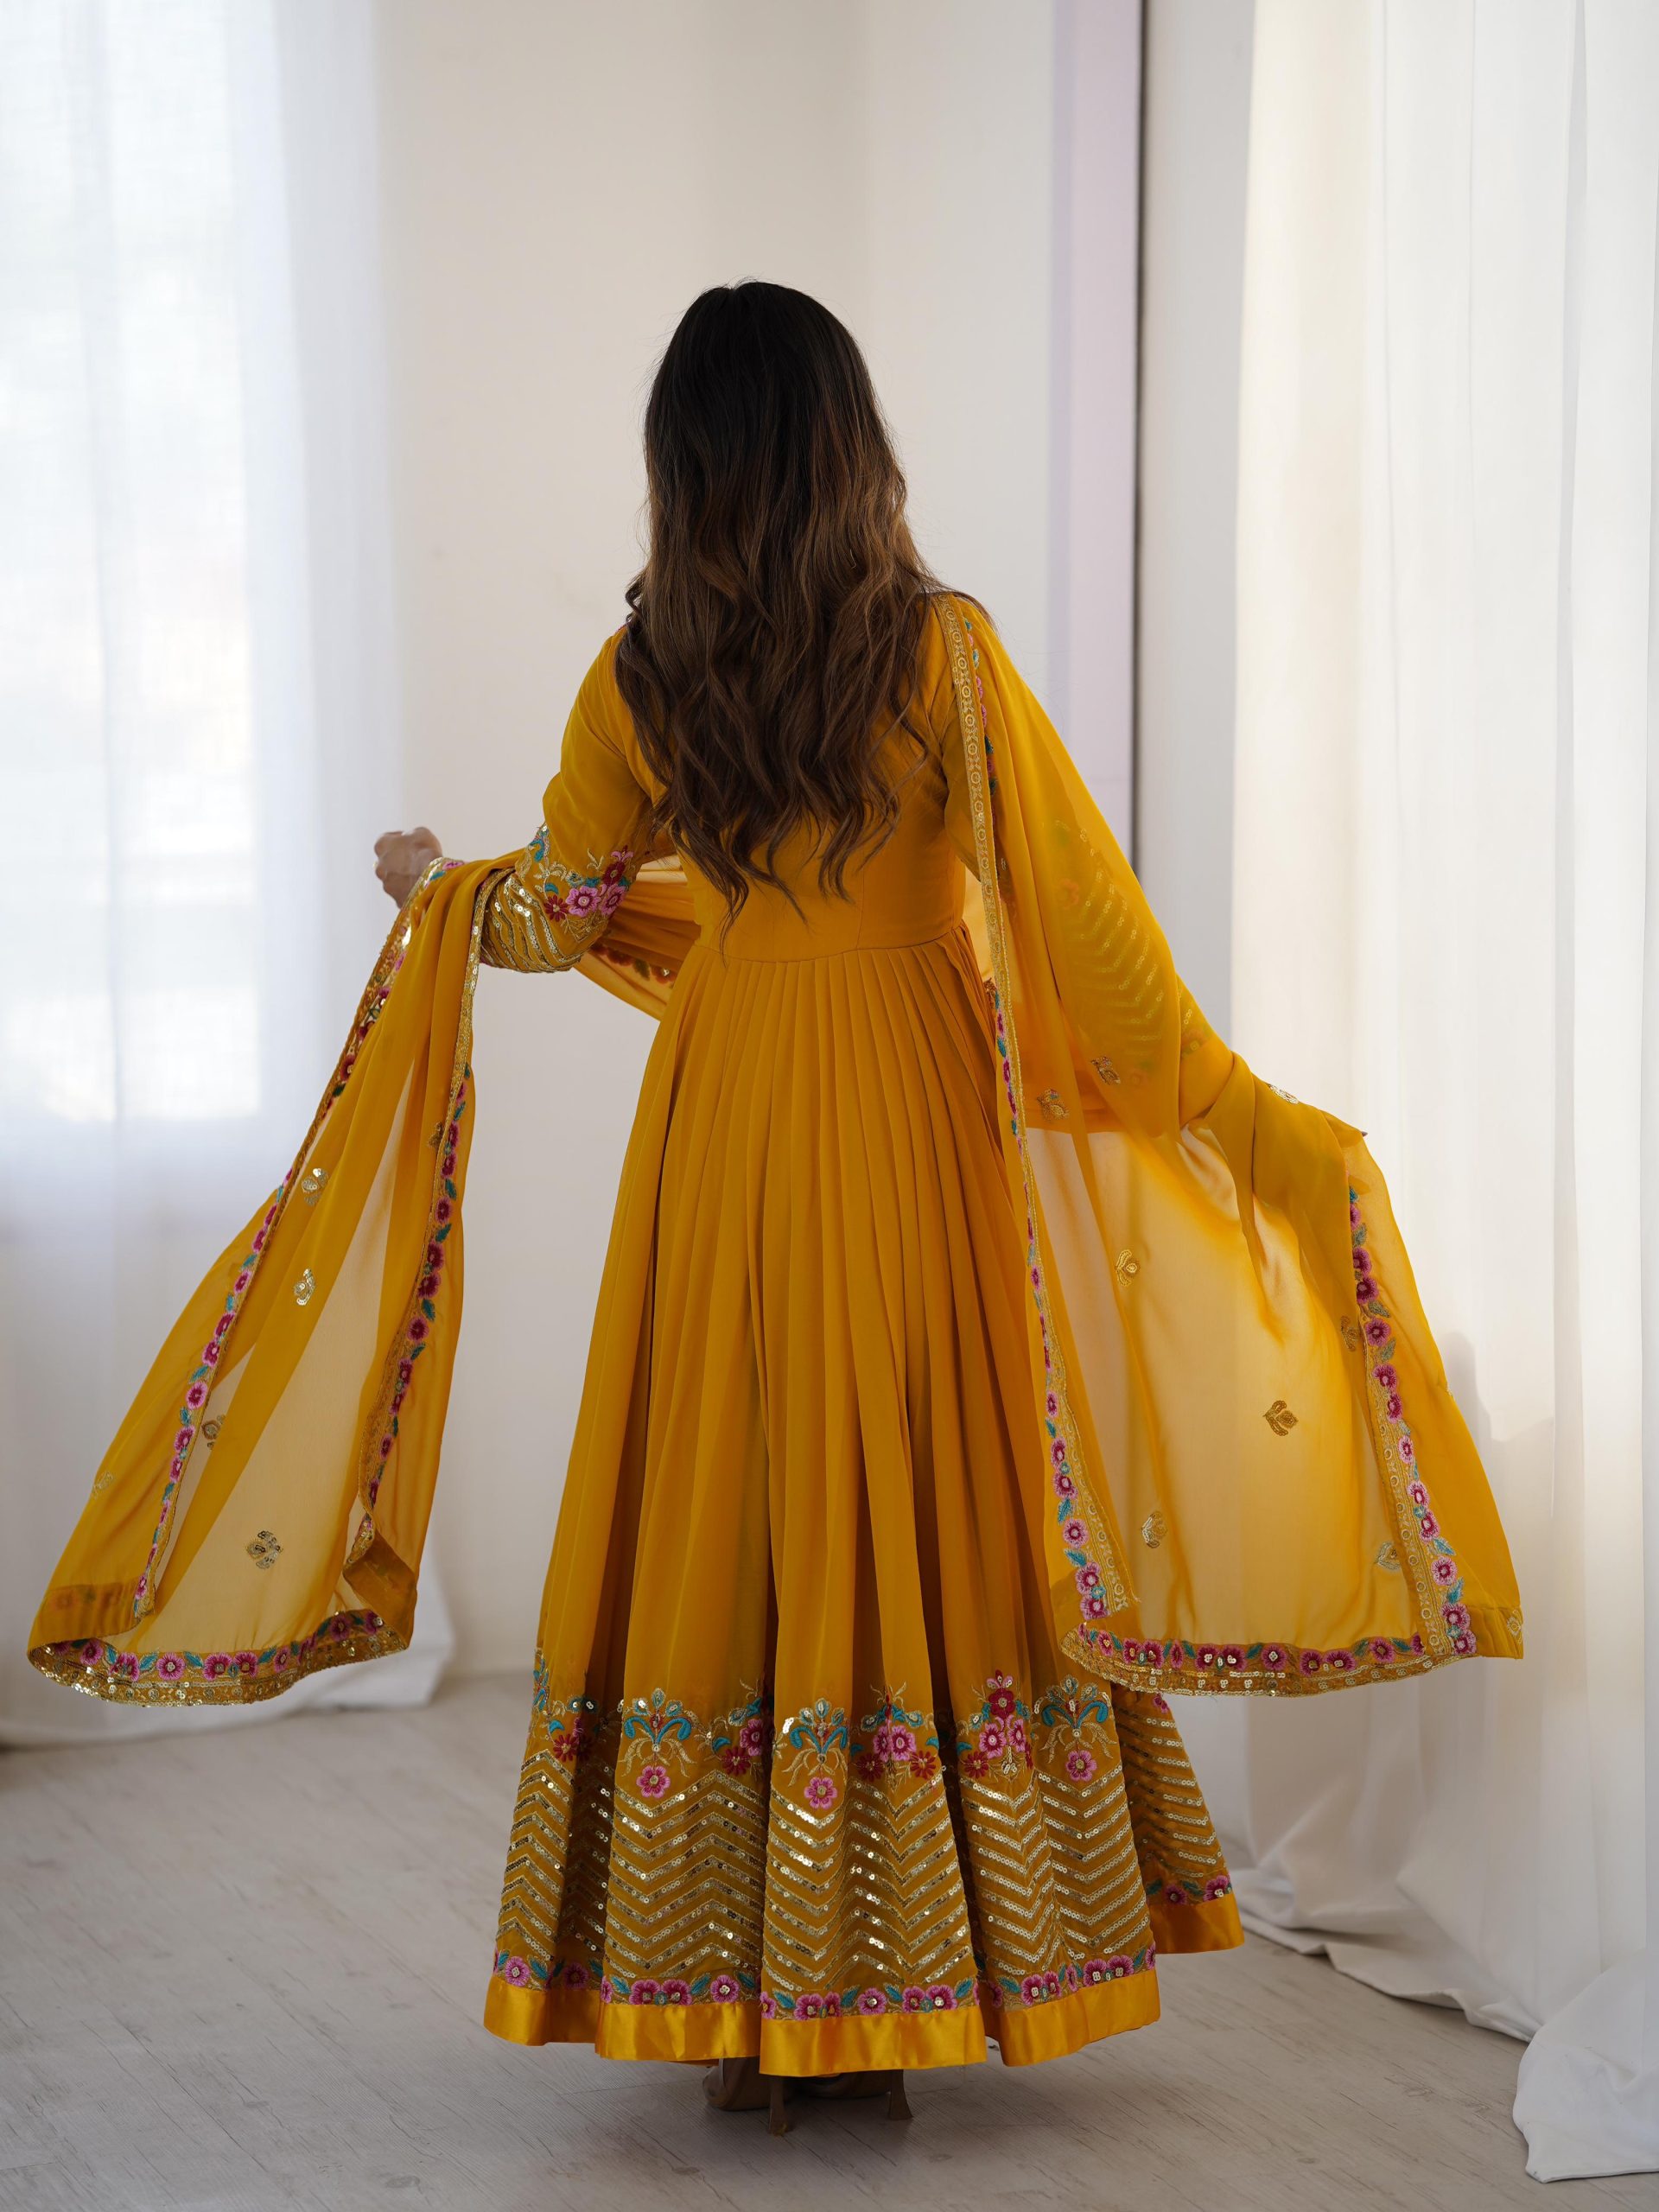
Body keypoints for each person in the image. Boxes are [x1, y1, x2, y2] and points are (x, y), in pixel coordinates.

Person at [31, 283, 1522, 2137]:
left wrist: (436, 888)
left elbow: (560, 909)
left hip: (727, 1119)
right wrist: (1247, 1125)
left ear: (683, 467)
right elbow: (1085, 927)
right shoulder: (940, 652)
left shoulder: (644, 668)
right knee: (913, 1476)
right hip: (911, 1118)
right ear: (850, 448)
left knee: (732, 1485)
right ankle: (887, 1991)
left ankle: (743, 1993)